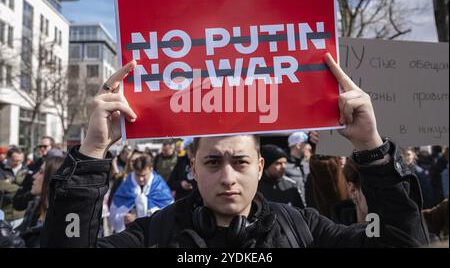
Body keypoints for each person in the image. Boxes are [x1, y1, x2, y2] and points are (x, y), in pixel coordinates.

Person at [41, 53, 429, 248]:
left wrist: (371, 149)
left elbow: (399, 242)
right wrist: (92, 152)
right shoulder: (155, 235)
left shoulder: (303, 229)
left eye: (240, 161)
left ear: (259, 166)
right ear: (192, 166)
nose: (227, 177)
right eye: (212, 161)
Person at [109, 154, 173, 233]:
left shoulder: (160, 186)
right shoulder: (126, 186)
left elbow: (168, 211)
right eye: (137, 175)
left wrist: (140, 217)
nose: (140, 179)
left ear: (151, 169)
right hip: (130, 232)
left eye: (143, 175)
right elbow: (114, 209)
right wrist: (122, 218)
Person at [15, 156, 64, 247]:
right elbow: (20, 233)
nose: (34, 176)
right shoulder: (36, 207)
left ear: (52, 179)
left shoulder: (63, 219)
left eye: (41, 172)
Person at [0, 147, 27, 225]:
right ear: (8, 158)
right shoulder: (1, 168)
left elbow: (29, 189)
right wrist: (20, 188)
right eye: (15, 160)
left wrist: (10, 183)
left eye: (20, 160)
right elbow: (1, 186)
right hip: (4, 213)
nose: (18, 163)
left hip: (21, 215)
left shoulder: (25, 169)